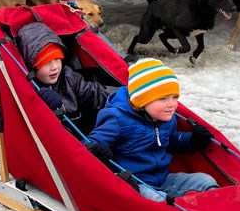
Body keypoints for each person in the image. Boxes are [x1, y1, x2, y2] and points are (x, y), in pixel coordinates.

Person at [85, 58, 218, 201]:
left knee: (206, 181)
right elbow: (88, 145)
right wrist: (98, 149)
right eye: (163, 99)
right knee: (158, 200)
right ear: (142, 100)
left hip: (163, 179)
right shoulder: (116, 117)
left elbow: (171, 141)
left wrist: (192, 140)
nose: (172, 104)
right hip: (133, 183)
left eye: (174, 97)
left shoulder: (165, 117)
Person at [17, 22, 115, 132]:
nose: (54, 67)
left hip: (83, 134)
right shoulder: (27, 89)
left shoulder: (68, 77)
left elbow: (95, 93)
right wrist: (46, 109)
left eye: (57, 59)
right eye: (45, 62)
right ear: (32, 67)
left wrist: (126, 94)